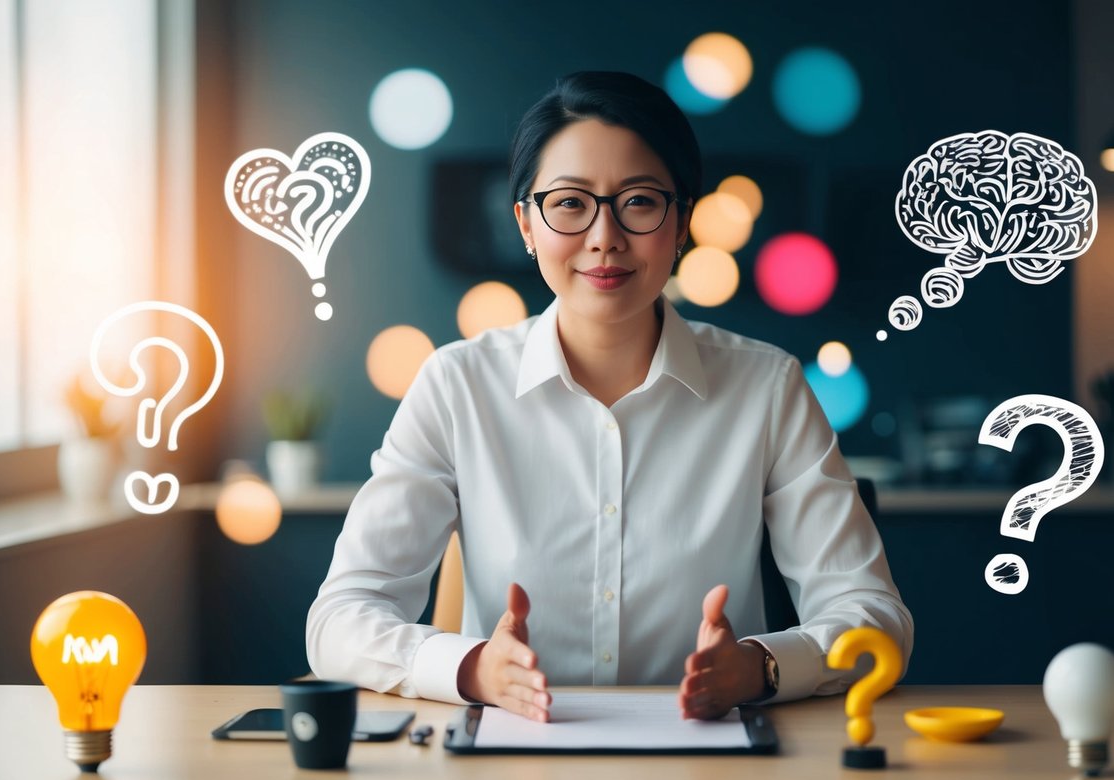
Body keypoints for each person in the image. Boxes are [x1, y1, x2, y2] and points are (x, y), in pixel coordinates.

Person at [306, 70, 913, 722]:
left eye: (640, 201)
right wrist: (472, 667)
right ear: (526, 224)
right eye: (569, 203)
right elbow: (339, 619)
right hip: (510, 773)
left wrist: (760, 667)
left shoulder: (766, 387)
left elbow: (872, 617)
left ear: (681, 222)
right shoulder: (457, 385)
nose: (604, 237)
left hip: (713, 775)